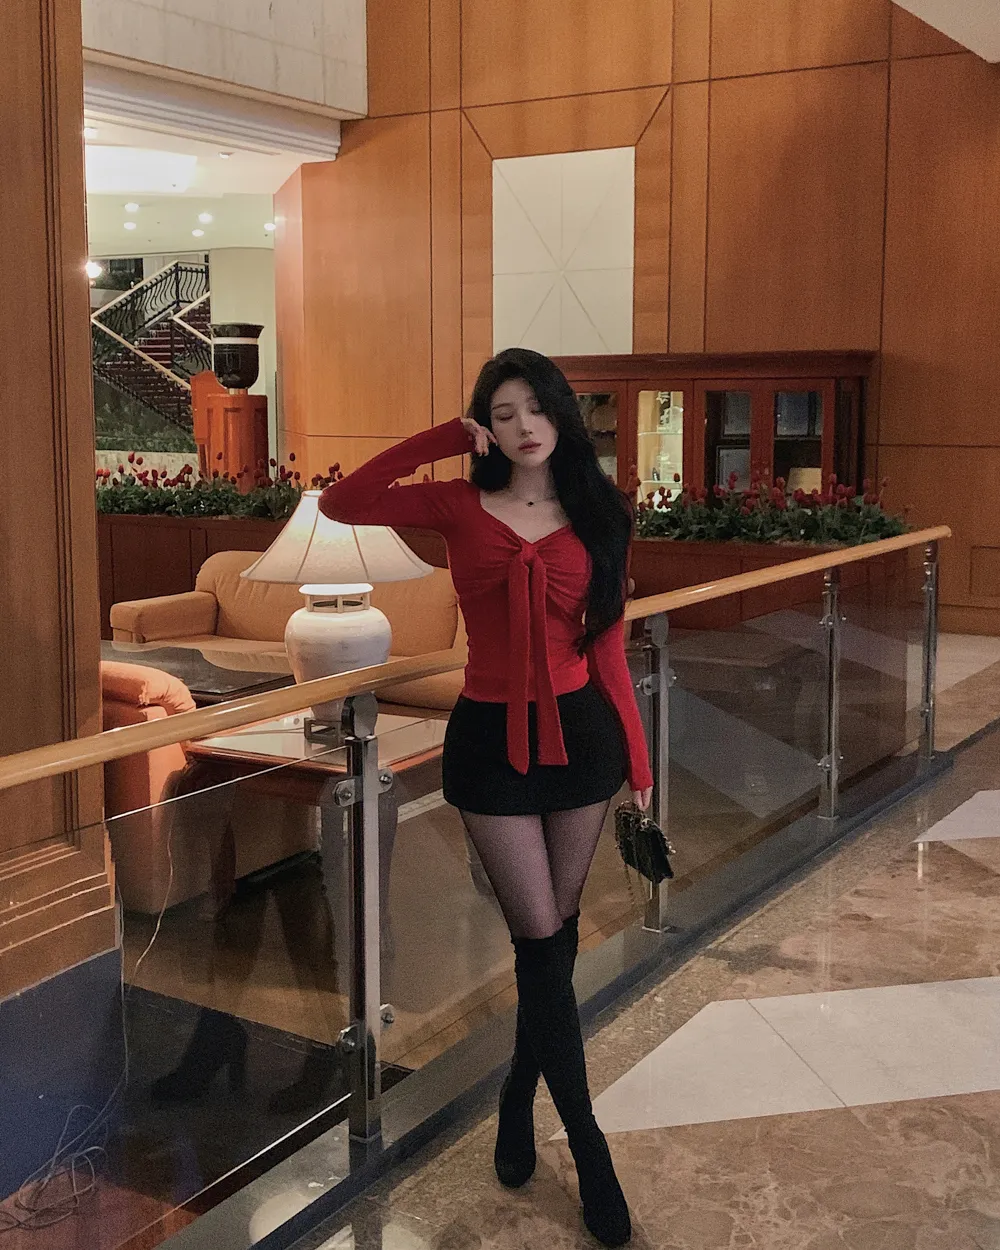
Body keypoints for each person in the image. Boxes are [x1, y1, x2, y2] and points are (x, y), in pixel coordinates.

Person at [320, 347, 653, 1248]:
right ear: (486, 427)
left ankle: (516, 1094)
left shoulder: (602, 511)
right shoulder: (456, 504)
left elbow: (609, 648)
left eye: (536, 407)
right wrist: (440, 439)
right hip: (491, 745)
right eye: (503, 414)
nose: (524, 426)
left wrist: (641, 765)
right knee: (538, 936)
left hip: (582, 741)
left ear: (561, 414)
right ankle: (588, 1147)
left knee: (553, 941)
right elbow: (343, 502)